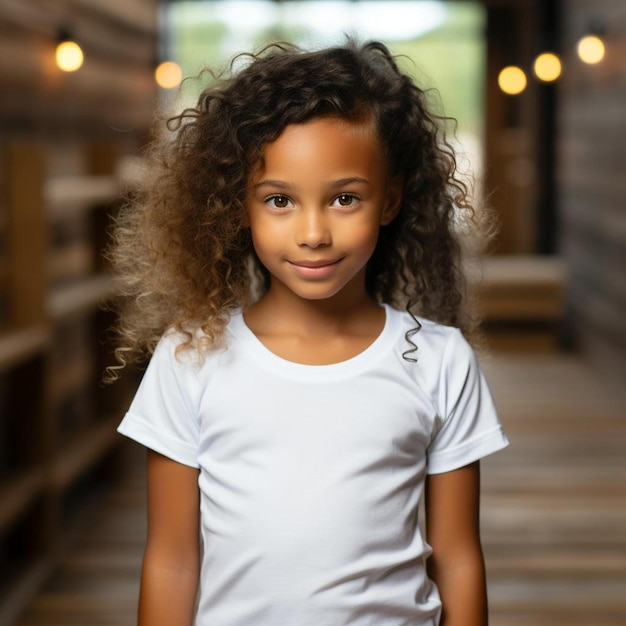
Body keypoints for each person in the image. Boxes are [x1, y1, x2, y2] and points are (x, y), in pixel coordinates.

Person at [113, 40, 508, 626]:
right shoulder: (190, 357)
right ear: (237, 208)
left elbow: (458, 559)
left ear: (390, 200)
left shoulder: (438, 361)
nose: (314, 233)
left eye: (345, 198)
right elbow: (171, 560)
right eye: (279, 201)